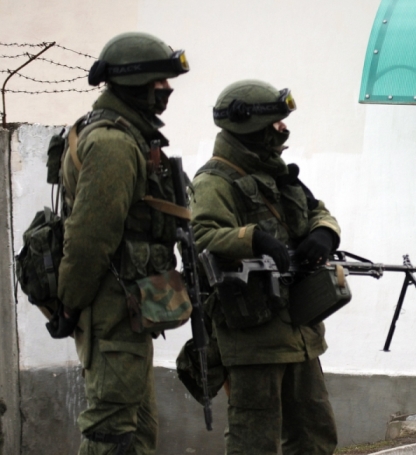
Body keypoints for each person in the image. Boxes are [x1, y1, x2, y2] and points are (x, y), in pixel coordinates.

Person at [51, 32, 189, 454]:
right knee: (112, 432)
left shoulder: (126, 134)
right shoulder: (113, 142)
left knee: (138, 430)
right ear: (135, 82)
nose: (166, 89)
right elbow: (90, 237)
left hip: (130, 309)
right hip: (112, 310)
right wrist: (69, 304)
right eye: (159, 81)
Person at [189, 80, 341, 454]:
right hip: (253, 334)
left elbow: (318, 210)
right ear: (249, 125)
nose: (283, 130)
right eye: (275, 123)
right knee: (254, 441)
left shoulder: (278, 173)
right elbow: (203, 234)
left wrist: (324, 234)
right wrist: (255, 239)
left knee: (315, 435)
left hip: (301, 330)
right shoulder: (214, 180)